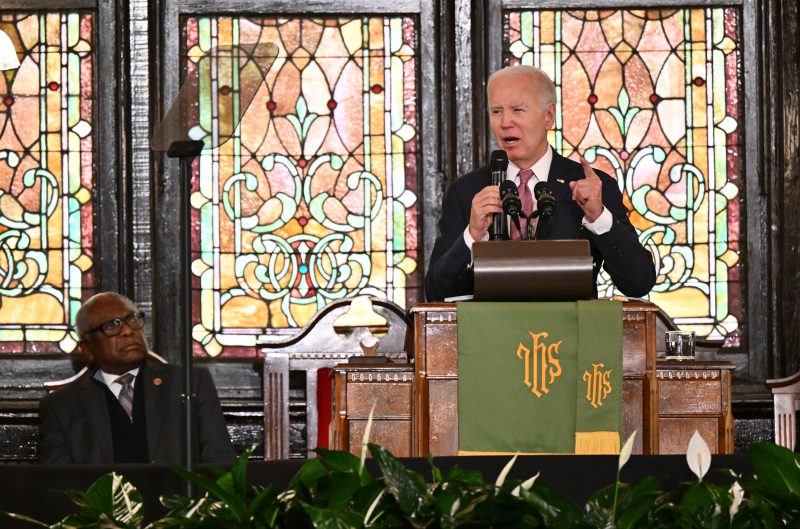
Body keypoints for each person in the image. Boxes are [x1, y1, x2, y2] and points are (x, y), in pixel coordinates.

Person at [425, 65, 656, 301]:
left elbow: (639, 283)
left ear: (548, 116)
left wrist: (599, 217)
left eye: (517, 110)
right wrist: (473, 235)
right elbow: (436, 293)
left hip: (570, 325)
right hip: (491, 325)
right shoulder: (467, 191)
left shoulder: (590, 186)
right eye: (496, 111)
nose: (505, 122)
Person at [39, 292, 235, 464]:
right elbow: (60, 483)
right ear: (87, 349)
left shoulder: (189, 384)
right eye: (111, 326)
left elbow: (220, 464)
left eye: (132, 319)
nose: (128, 331)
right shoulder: (61, 407)